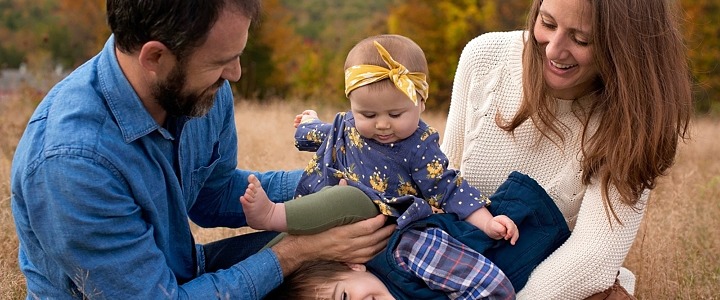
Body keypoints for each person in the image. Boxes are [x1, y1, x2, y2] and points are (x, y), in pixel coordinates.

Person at [10, 1, 394, 299]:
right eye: (222, 62)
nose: (236, 74)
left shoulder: (198, 91)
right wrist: (296, 252)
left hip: (187, 271)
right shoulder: (72, 165)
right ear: (155, 58)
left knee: (374, 240)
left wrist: (336, 185)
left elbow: (214, 193)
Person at [440, 0, 692, 299]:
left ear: (625, 47)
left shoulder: (638, 120)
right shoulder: (484, 58)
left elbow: (592, 258)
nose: (553, 50)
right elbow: (439, 181)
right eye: (547, 23)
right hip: (456, 270)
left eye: (582, 39)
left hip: (555, 286)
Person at [241, 34, 518, 244]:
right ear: (352, 106)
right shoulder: (347, 126)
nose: (383, 124)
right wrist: (308, 120)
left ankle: (273, 215)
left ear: (421, 103)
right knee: (286, 247)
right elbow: (315, 135)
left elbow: (448, 188)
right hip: (329, 222)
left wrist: (487, 223)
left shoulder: (419, 146)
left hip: (380, 224)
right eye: (368, 114)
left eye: (396, 114)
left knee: (345, 198)